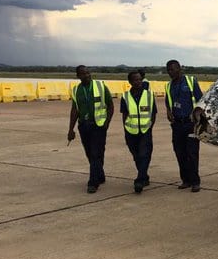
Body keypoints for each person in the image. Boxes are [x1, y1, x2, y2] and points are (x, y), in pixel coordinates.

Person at [67, 65, 114, 193]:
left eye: (88, 73)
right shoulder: (76, 90)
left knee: (95, 153)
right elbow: (75, 110)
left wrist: (107, 122)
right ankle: (100, 174)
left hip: (98, 125)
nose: (86, 75)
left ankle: (93, 182)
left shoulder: (100, 86)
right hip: (84, 126)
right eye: (83, 74)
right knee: (90, 153)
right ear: (78, 76)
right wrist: (71, 129)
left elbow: (110, 105)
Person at [164, 59, 203, 192]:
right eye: (168, 70)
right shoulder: (169, 86)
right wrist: (169, 111)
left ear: (179, 69)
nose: (171, 72)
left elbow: (200, 101)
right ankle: (185, 180)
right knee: (179, 153)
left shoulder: (191, 82)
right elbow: (168, 102)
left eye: (173, 69)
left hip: (190, 123)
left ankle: (195, 181)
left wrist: (199, 119)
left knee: (192, 153)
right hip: (177, 125)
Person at [121, 71, 156, 193]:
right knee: (136, 156)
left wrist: (150, 126)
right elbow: (124, 115)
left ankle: (139, 181)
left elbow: (153, 113)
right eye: (135, 80)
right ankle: (144, 176)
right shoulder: (125, 96)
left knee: (144, 154)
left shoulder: (149, 95)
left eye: (140, 80)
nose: (138, 82)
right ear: (130, 82)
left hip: (145, 130)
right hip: (131, 131)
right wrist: (125, 129)